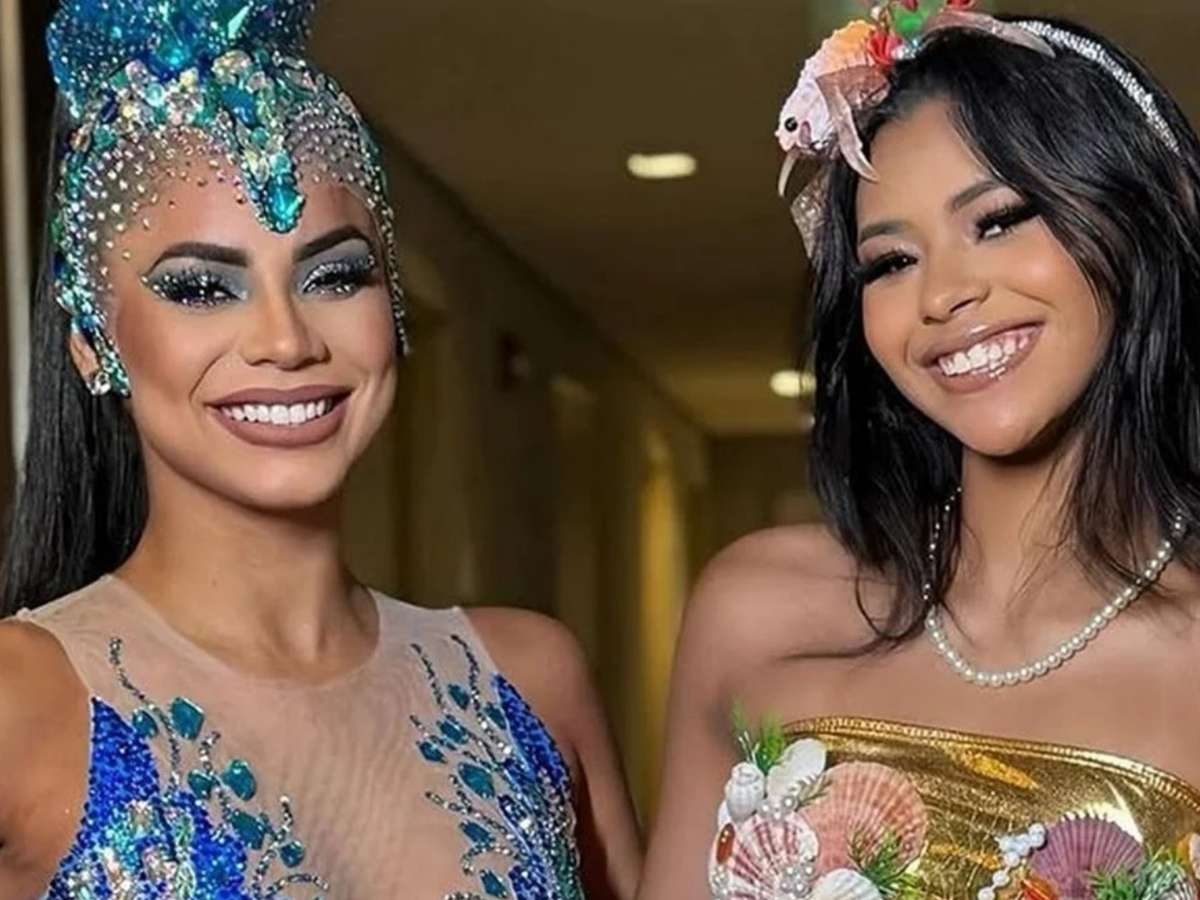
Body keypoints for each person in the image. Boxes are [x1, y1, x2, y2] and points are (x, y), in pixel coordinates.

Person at [0, 1, 641, 897]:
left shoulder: (531, 682)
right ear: (90, 343)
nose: (286, 340)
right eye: (201, 289)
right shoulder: (21, 702)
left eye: (334, 275)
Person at [639, 3, 1200, 899]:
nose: (942, 296)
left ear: (1137, 221)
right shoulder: (756, 613)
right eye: (892, 262)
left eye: (999, 219)